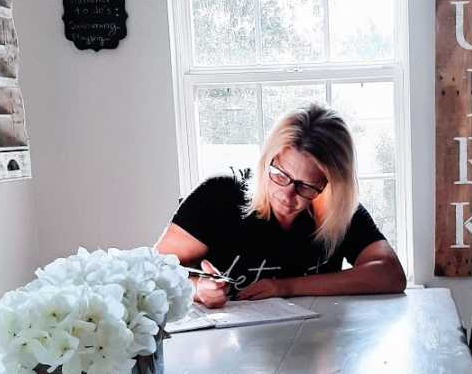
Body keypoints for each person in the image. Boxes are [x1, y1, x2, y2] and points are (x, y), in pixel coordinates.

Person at [155, 104, 406, 308]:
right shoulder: (218, 197)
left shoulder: (338, 210)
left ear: (331, 186)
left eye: (306, 186)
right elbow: (153, 273)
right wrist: (198, 288)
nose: (287, 194)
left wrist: (285, 287)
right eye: (280, 175)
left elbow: (391, 274)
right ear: (267, 160)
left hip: (312, 346)